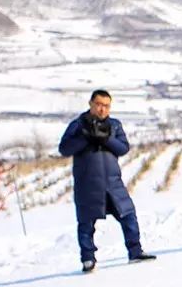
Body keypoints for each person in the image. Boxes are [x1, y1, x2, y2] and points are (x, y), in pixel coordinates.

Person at [58, 90, 155, 272]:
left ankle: (135, 251)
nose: (102, 109)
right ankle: (88, 260)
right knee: (86, 223)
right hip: (88, 184)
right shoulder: (78, 125)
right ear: (91, 104)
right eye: (99, 104)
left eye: (106, 106)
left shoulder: (115, 125)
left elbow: (123, 148)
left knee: (128, 215)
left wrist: (106, 139)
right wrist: (85, 137)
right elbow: (64, 148)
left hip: (112, 183)